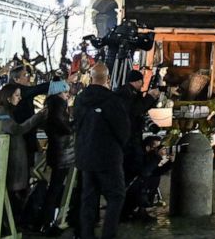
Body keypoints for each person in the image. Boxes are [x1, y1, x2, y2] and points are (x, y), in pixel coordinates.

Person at [75, 63, 130, 239]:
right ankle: (108, 234)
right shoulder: (112, 101)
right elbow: (123, 129)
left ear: (91, 77)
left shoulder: (80, 99)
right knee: (116, 196)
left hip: (85, 155)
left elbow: (77, 124)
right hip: (108, 156)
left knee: (89, 199)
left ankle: (87, 234)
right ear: (107, 78)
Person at [0, 82, 49, 222]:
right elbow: (17, 129)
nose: (20, 98)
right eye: (17, 95)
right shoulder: (1, 111)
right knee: (11, 195)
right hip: (10, 161)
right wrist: (38, 117)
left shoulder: (8, 111)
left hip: (14, 158)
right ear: (8, 97)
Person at [116, 69, 159, 220]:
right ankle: (127, 209)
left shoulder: (128, 93)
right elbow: (136, 110)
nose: (142, 85)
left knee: (140, 175)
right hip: (129, 144)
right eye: (141, 82)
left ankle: (135, 208)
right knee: (136, 175)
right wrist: (150, 98)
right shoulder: (125, 94)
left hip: (132, 141)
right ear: (137, 81)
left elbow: (140, 112)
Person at [40, 78, 75, 235]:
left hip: (58, 152)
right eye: (65, 92)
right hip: (63, 153)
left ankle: (49, 220)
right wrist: (74, 125)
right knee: (55, 187)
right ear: (58, 92)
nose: (67, 95)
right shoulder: (58, 106)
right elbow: (65, 127)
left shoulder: (51, 105)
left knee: (55, 186)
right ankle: (47, 222)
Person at [10, 65, 50, 176]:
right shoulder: (20, 91)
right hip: (21, 139)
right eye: (25, 75)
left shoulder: (23, 91)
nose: (28, 77)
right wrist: (61, 84)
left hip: (27, 136)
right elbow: (38, 89)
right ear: (16, 80)